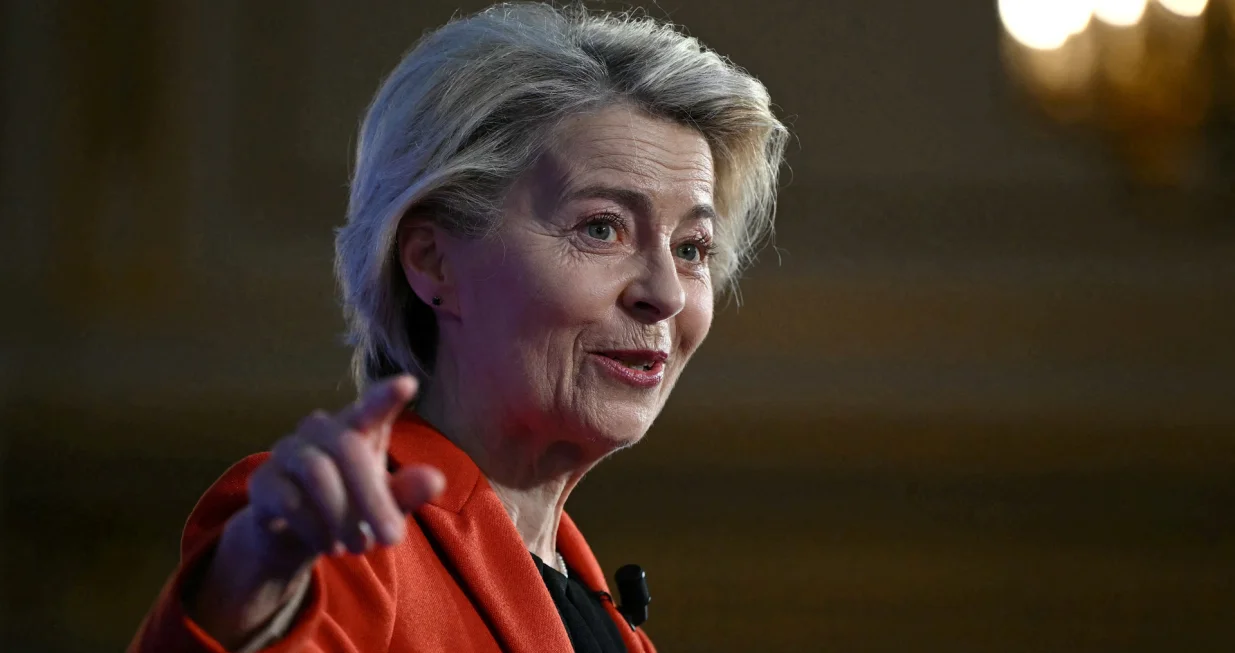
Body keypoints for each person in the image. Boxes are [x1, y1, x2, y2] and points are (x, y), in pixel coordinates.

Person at [129, 2, 787, 652]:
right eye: (600, 228)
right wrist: (248, 591)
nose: (665, 294)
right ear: (431, 261)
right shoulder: (344, 541)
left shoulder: (606, 619)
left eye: (691, 248)